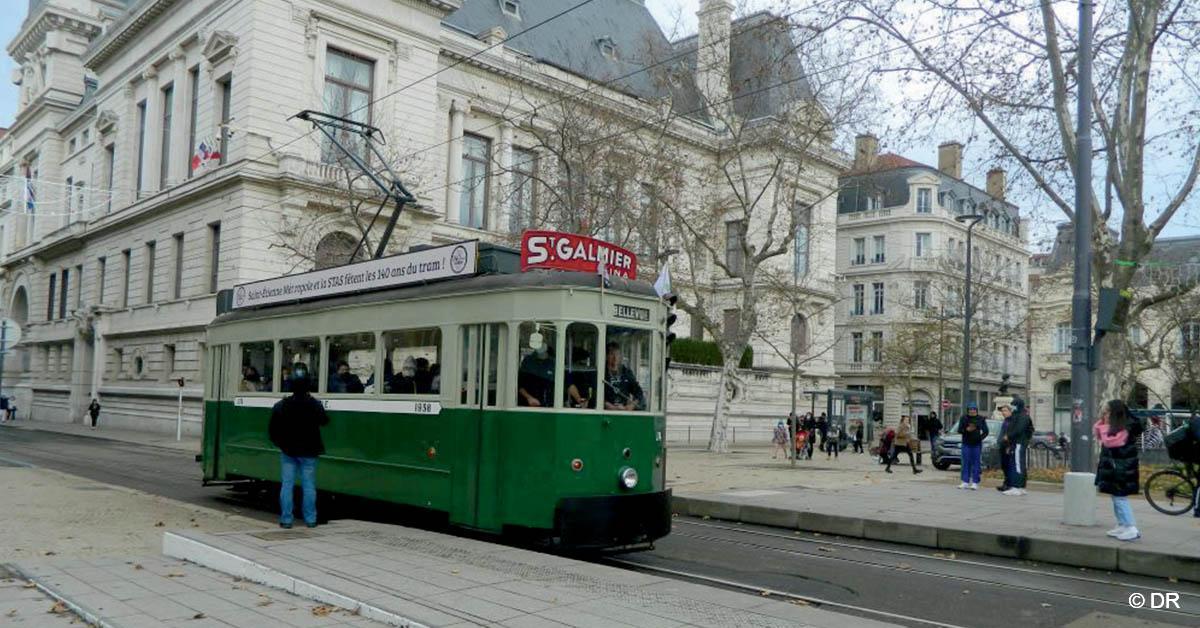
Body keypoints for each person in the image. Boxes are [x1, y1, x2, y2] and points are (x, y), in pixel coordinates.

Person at [267, 366, 329, 529]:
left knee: (287, 485)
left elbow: (272, 429)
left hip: (288, 451)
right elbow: (324, 421)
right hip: (309, 451)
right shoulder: (314, 404)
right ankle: (310, 519)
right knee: (309, 485)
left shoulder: (282, 405)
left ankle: (286, 520)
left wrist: (281, 443)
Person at [1094, 399, 1142, 541]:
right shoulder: (1117, 426)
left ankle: (1131, 527)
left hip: (1121, 469)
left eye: (1107, 412)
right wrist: (1103, 423)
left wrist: (1103, 425)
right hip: (1116, 467)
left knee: (1120, 497)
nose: (1105, 415)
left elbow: (1110, 441)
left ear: (1115, 413)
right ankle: (1122, 524)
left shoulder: (1124, 428)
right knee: (1116, 496)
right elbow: (1100, 436)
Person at [1000, 397, 1034, 496]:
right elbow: (1030, 430)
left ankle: (1016, 486)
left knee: (1017, 465)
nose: (1012, 407)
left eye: (1013, 405)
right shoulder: (1021, 416)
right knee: (1019, 464)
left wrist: (1008, 436)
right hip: (1018, 443)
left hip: (1018, 443)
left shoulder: (1021, 416)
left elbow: (1018, 429)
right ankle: (1021, 486)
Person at [603, 343, 644, 411]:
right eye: (612, 354)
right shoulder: (602, 372)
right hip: (606, 411)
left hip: (624, 410)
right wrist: (608, 406)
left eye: (617, 354)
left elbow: (638, 392)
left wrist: (632, 405)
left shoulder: (626, 372)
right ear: (607, 356)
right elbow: (595, 394)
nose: (615, 357)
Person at [957, 402, 988, 490]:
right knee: (965, 462)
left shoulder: (980, 418)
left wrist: (980, 438)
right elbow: (959, 430)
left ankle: (975, 482)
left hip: (976, 444)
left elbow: (986, 431)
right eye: (970, 409)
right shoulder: (964, 418)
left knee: (976, 463)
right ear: (968, 410)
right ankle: (965, 481)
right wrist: (966, 430)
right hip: (966, 443)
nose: (972, 411)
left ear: (976, 410)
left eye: (974, 409)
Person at [518, 340, 555, 407]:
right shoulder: (528, 361)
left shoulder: (552, 363)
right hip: (527, 405)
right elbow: (519, 385)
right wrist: (529, 398)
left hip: (548, 405)